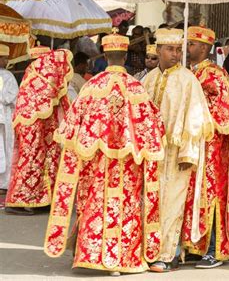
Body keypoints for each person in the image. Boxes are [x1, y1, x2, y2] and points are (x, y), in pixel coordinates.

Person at [44, 31, 166, 276]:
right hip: (129, 164)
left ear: (105, 55)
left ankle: (91, 255)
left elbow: (69, 127)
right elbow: (154, 128)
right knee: (126, 206)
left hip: (96, 163)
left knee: (96, 205)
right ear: (125, 56)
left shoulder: (91, 87)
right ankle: (123, 259)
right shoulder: (137, 89)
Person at [142, 28, 213, 272]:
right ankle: (146, 250)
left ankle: (166, 254)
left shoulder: (188, 80)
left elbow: (196, 120)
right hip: (151, 154)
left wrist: (188, 153)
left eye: (179, 50)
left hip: (176, 154)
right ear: (158, 50)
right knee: (150, 202)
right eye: (170, 49)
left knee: (171, 204)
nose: (176, 54)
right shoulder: (148, 78)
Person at [181, 26, 229, 269]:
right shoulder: (189, 72)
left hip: (211, 144)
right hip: (193, 144)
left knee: (212, 194)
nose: (187, 48)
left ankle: (216, 248)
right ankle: (197, 245)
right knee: (192, 196)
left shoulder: (214, 74)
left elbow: (224, 111)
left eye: (191, 44)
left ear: (204, 48)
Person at [5, 49, 73, 215]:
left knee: (49, 159)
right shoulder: (43, 71)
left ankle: (44, 199)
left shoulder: (34, 71)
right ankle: (21, 200)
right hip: (32, 124)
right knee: (31, 160)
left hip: (41, 122)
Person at [0, 45, 19, 195]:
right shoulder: (7, 76)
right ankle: (4, 182)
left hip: (3, 115)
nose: (7, 61)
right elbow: (11, 97)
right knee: (6, 147)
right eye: (5, 58)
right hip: (4, 115)